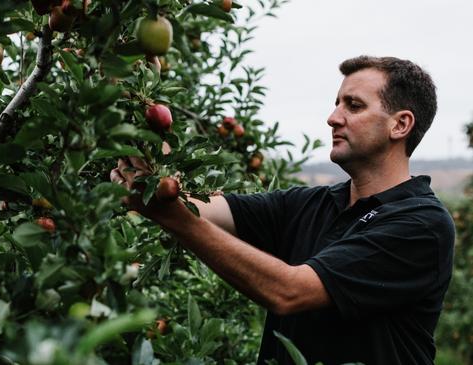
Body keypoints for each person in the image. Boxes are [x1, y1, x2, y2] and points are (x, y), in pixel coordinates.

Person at [110, 56, 455, 365]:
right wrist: (137, 101)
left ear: (400, 124)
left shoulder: (422, 224)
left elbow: (289, 291)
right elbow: (193, 204)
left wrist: (171, 217)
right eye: (336, 104)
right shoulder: (310, 204)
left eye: (353, 105)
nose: (333, 118)